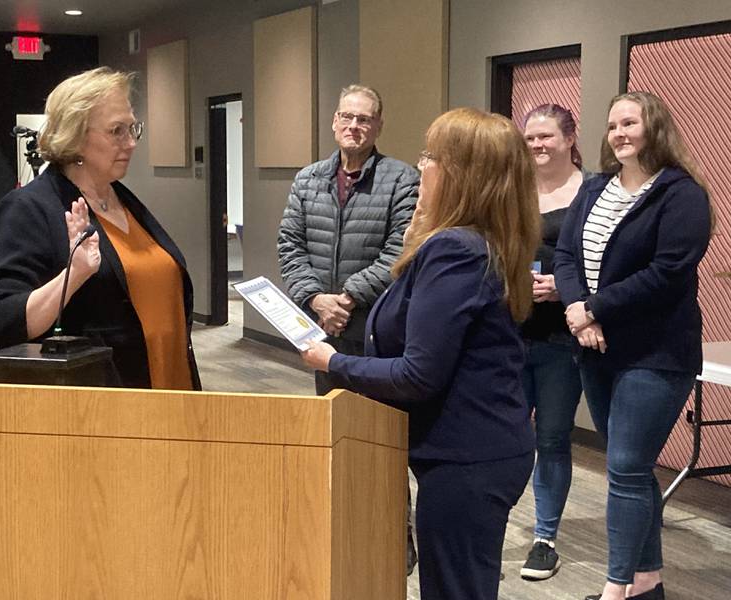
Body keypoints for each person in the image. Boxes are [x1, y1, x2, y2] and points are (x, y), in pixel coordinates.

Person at [302, 107, 540, 600]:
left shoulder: (455, 249)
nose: (421, 165)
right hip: (480, 449)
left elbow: (417, 374)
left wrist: (333, 362)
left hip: (467, 458)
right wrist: (414, 241)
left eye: (431, 156)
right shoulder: (477, 241)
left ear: (462, 175)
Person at [555, 91, 713, 600]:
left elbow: (668, 272)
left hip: (656, 353)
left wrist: (595, 308)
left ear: (655, 128)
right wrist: (579, 311)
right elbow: (565, 254)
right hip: (596, 347)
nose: (619, 133)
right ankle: (646, 584)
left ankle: (615, 588)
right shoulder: (595, 187)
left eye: (630, 123)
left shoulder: (681, 193)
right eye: (613, 125)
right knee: (632, 467)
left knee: (624, 468)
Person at [0, 67, 201, 391]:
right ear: (75, 136)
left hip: (173, 389)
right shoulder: (29, 208)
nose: (131, 143)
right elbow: (2, 323)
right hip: (107, 401)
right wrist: (75, 274)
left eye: (132, 128)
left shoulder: (123, 200)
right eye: (116, 131)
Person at [277, 83, 419, 572]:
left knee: (383, 438)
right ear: (334, 122)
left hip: (377, 331)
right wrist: (316, 299)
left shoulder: (402, 179)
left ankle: (396, 537)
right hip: (324, 330)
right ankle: (347, 530)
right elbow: (290, 245)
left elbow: (401, 249)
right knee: (336, 432)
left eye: (364, 118)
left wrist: (349, 297)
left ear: (378, 125)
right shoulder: (308, 180)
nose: (354, 126)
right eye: (346, 117)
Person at [518, 104, 586, 581]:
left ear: (568, 138)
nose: (538, 145)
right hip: (510, 333)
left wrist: (565, 288)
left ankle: (544, 539)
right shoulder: (515, 190)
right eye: (530, 138)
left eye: (546, 137)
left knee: (553, 438)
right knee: (504, 433)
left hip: (562, 337)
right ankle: (492, 523)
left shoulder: (591, 191)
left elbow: (606, 259)